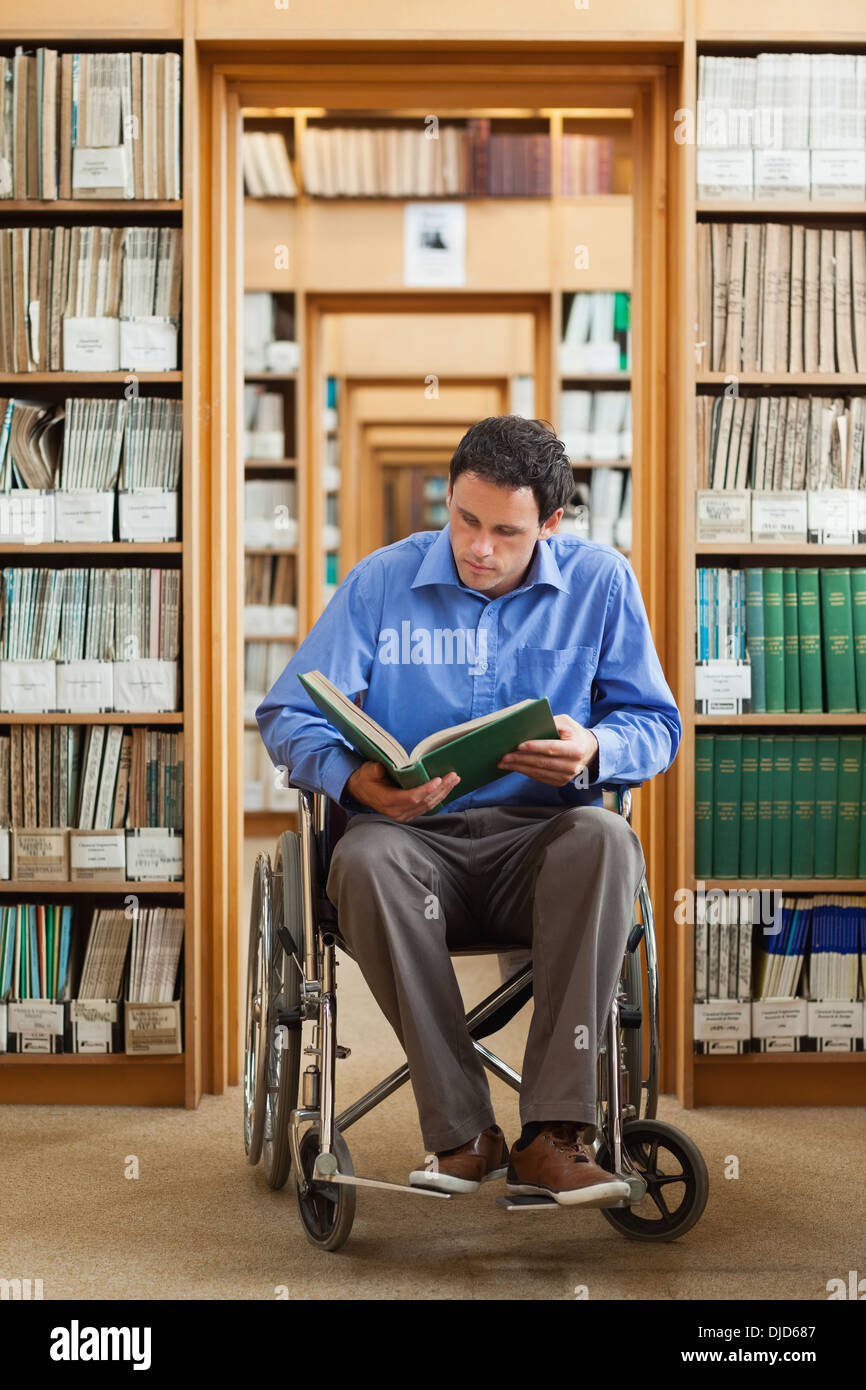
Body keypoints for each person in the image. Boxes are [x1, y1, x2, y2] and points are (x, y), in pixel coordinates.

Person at [256, 415, 681, 1207]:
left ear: (552, 525)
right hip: (412, 847)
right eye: (465, 520)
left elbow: (656, 726)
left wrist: (593, 746)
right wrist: (358, 783)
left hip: (542, 847)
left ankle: (555, 1137)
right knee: (365, 858)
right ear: (449, 500)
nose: (478, 548)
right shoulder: (383, 581)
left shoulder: (601, 583)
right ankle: (461, 1133)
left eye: (507, 532)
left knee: (607, 837)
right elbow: (287, 713)